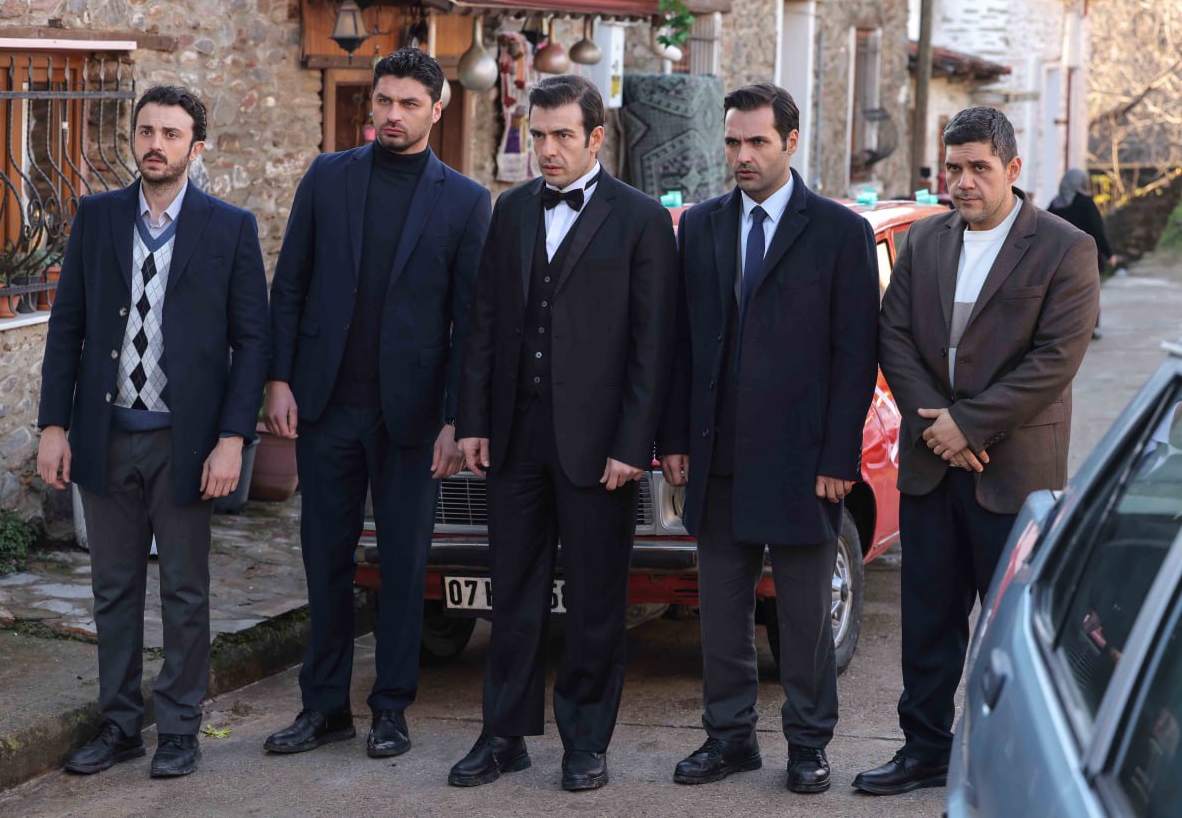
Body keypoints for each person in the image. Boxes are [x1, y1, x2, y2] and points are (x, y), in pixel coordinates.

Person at [854, 107, 1100, 795]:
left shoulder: (1065, 247)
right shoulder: (926, 241)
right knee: (927, 622)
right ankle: (924, 749)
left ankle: (1010, 761)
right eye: (953, 168)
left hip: (1014, 472)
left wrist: (967, 425)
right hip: (931, 466)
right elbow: (893, 336)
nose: (962, 182)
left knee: (1013, 629)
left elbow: (1055, 360)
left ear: (1012, 169)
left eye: (978, 168)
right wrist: (939, 427)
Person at [447, 74, 676, 792]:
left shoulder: (640, 218)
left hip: (600, 445)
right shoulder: (511, 209)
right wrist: (473, 421)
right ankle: (503, 735)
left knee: (595, 600)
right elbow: (483, 323)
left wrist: (633, 444)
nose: (546, 149)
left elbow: (653, 344)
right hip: (515, 436)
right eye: (538, 135)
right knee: (511, 594)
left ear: (595, 138)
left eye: (562, 136)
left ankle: (585, 742)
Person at [262, 48, 490, 761]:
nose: (393, 114)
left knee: (403, 566)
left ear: (437, 109)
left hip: (412, 419)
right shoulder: (328, 176)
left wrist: (456, 418)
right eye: (384, 100)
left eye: (408, 104)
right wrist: (278, 379)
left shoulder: (465, 200)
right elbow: (290, 283)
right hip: (327, 405)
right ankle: (324, 707)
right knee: (325, 561)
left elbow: (471, 323)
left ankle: (391, 708)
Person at [36, 85, 270, 778]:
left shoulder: (230, 228)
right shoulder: (97, 216)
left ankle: (178, 730)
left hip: (187, 443)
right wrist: (53, 425)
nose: (155, 144)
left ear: (196, 148)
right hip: (106, 434)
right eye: (146, 131)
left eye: (171, 133)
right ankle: (119, 725)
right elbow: (67, 327)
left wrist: (233, 439)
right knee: (112, 589)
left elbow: (252, 343)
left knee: (184, 592)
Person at [656, 83, 879, 794]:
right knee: (722, 614)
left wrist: (839, 455)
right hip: (717, 456)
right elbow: (681, 342)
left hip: (804, 463)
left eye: (756, 141)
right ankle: (729, 739)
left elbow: (856, 354)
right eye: (732, 142)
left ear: (791, 142)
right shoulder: (700, 226)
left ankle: (809, 745)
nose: (742, 155)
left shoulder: (840, 232)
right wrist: (674, 438)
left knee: (806, 619)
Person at [1049, 168, 1117, 338]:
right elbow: (1097, 230)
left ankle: (1065, 329)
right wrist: (1109, 254)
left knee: (1064, 295)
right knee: (1088, 294)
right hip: (1085, 257)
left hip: (1060, 259)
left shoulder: (1055, 204)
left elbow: (1045, 229)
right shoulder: (1085, 203)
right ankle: (1089, 329)